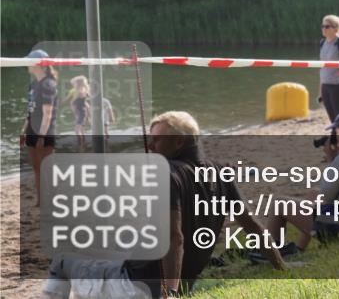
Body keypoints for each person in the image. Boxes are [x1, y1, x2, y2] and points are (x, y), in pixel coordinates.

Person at [42, 111, 286, 299]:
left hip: (140, 289)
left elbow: (175, 238)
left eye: (156, 140)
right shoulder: (220, 173)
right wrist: (281, 267)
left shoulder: (167, 174)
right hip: (179, 284)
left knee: (61, 260)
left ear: (178, 142)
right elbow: (253, 227)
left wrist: (171, 292)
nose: (150, 146)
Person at [248, 109, 339, 260]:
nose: (334, 137)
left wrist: (331, 159)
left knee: (278, 203)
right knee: (314, 194)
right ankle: (298, 248)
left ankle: (269, 252)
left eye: (336, 132)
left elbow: (326, 196)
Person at [21, 48, 58, 202]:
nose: (27, 64)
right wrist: (23, 131)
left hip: (44, 132)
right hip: (31, 130)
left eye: (29, 61)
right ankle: (41, 200)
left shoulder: (48, 84)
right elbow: (30, 110)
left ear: (38, 64)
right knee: (36, 168)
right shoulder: (33, 84)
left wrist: (41, 136)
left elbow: (47, 114)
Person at [66, 75, 91, 150]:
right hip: (80, 112)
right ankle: (83, 143)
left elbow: (82, 102)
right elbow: (85, 103)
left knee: (77, 129)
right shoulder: (82, 90)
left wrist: (73, 102)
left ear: (78, 83)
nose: (73, 85)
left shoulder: (80, 91)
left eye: (74, 83)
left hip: (81, 112)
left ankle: (80, 144)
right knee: (81, 128)